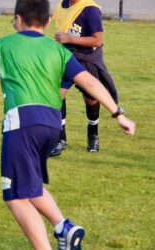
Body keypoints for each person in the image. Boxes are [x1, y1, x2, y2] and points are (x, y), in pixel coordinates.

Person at [0, 0, 135, 249]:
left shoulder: (1, 45)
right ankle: (63, 227)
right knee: (31, 185)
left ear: (18, 19)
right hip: (52, 126)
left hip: (22, 125)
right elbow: (89, 82)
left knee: (14, 196)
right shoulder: (58, 50)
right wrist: (118, 113)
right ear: (47, 22)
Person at [50, 0, 119, 156]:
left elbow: (97, 40)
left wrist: (69, 39)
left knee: (91, 99)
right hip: (67, 57)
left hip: (88, 58)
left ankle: (92, 135)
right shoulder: (63, 5)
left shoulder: (90, 9)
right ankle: (60, 139)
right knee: (57, 93)